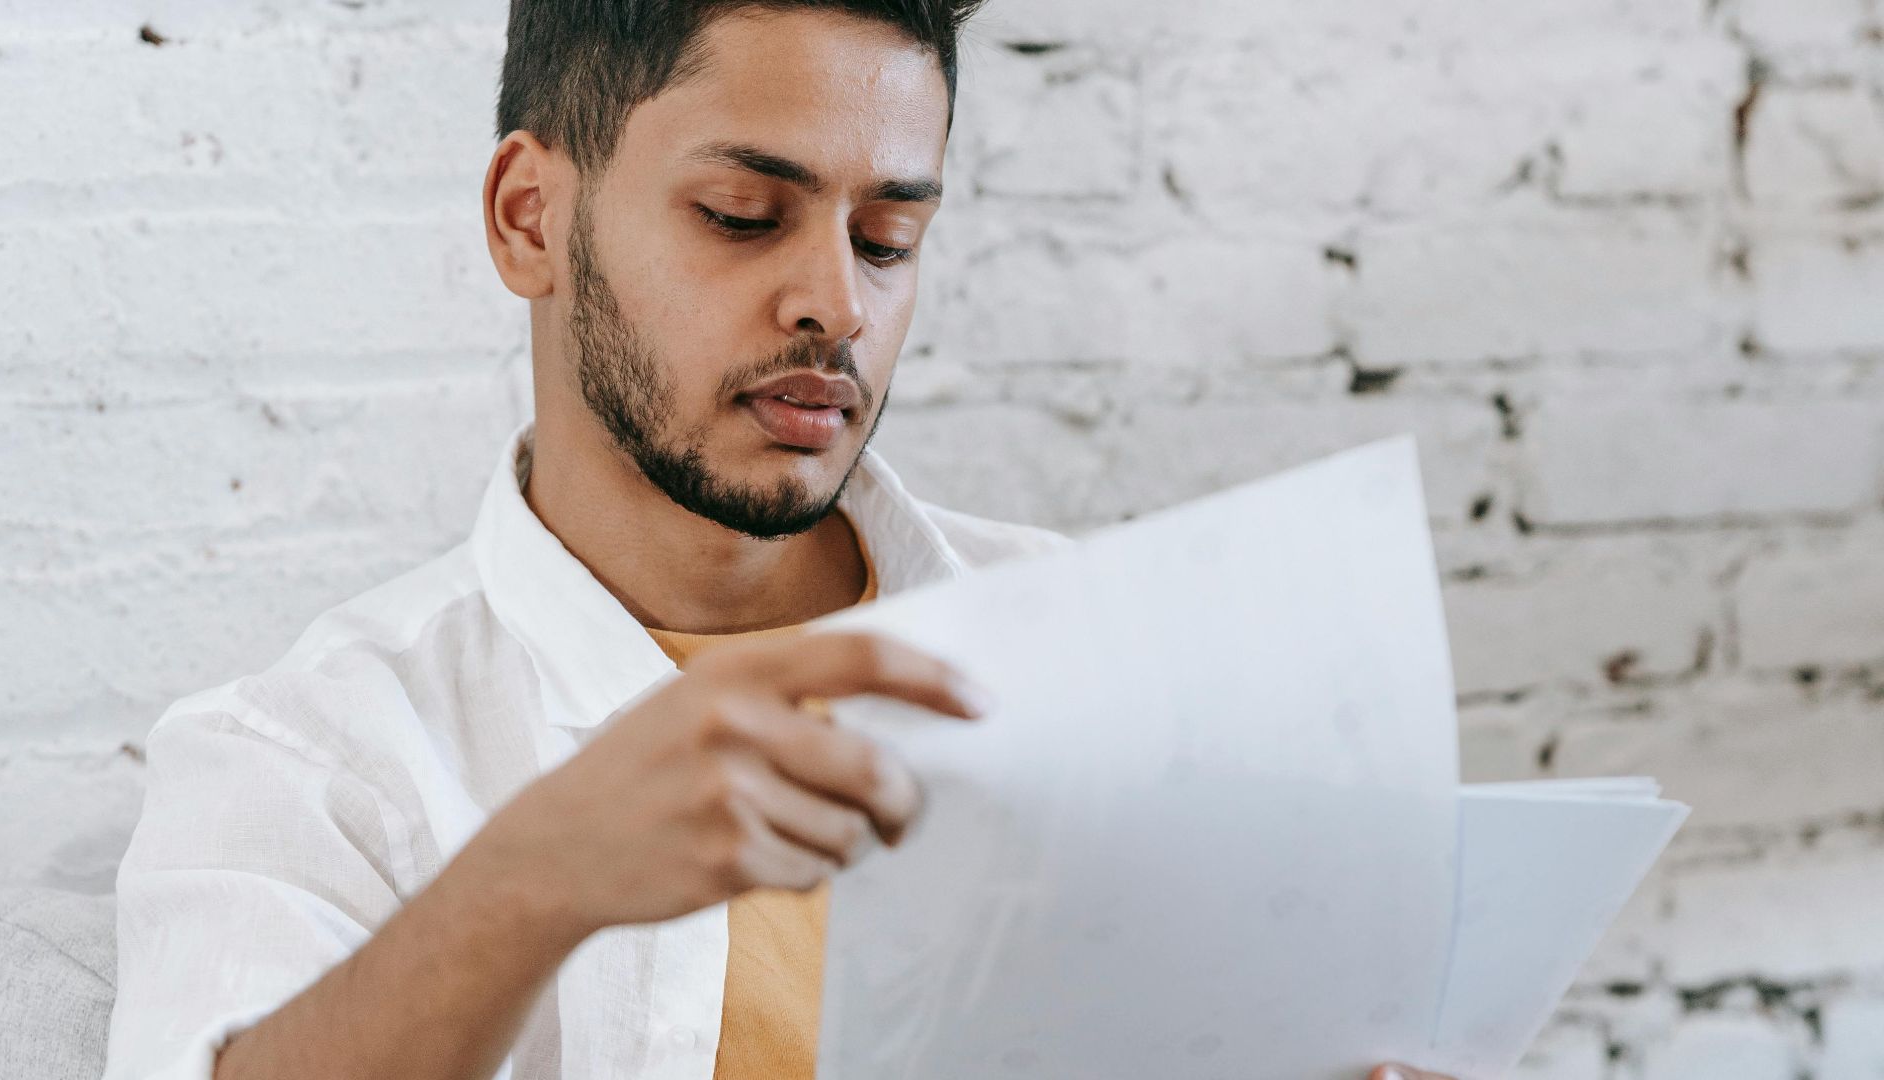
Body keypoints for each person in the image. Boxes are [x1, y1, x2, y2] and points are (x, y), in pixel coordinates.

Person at [100, 3, 1464, 1078]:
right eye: (743, 217)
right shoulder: (315, 753)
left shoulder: (1094, 643)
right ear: (532, 218)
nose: (836, 304)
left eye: (888, 239)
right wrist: (538, 877)